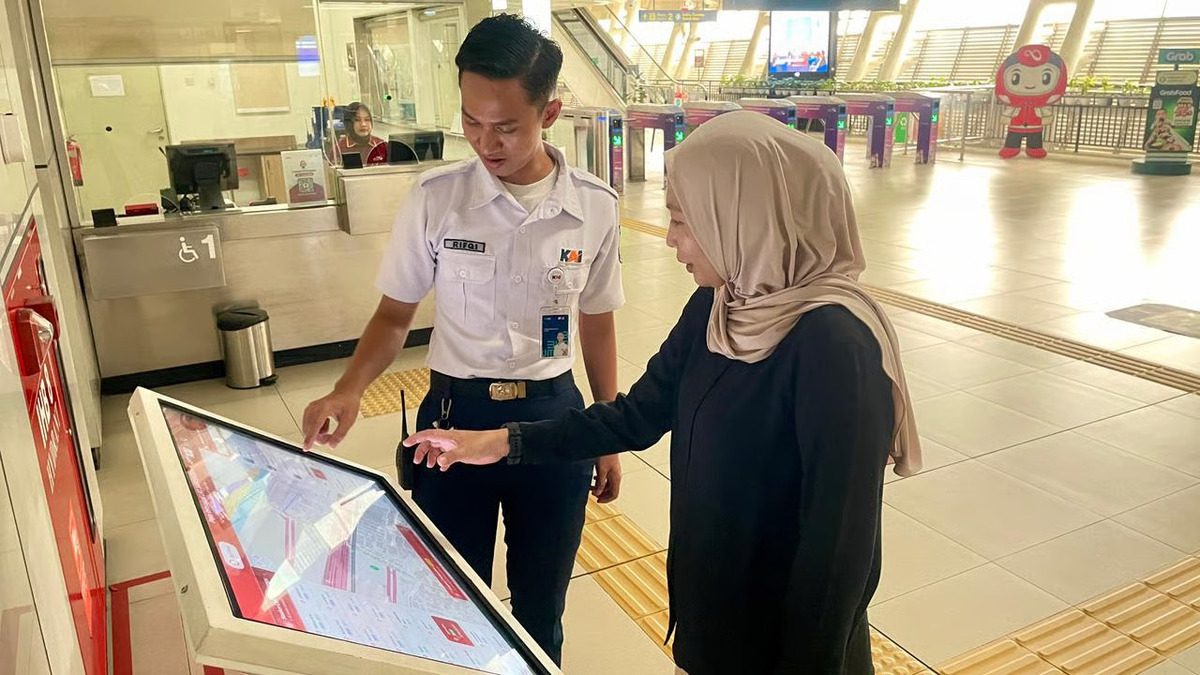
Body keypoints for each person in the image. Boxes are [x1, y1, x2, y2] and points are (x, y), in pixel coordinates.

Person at [404, 111, 923, 674]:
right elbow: (637, 415)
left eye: (682, 219)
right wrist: (501, 442)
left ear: (743, 217)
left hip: (785, 648)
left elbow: (840, 554)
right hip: (710, 620)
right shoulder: (718, 307)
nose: (671, 238)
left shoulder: (836, 345)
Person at [301, 15, 625, 665]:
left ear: (549, 113)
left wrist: (608, 429)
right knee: (451, 603)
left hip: (554, 419)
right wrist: (348, 388)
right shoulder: (436, 199)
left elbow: (596, 318)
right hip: (455, 416)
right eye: (471, 121)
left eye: (505, 126)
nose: (485, 141)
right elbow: (394, 316)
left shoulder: (594, 206)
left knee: (541, 606)